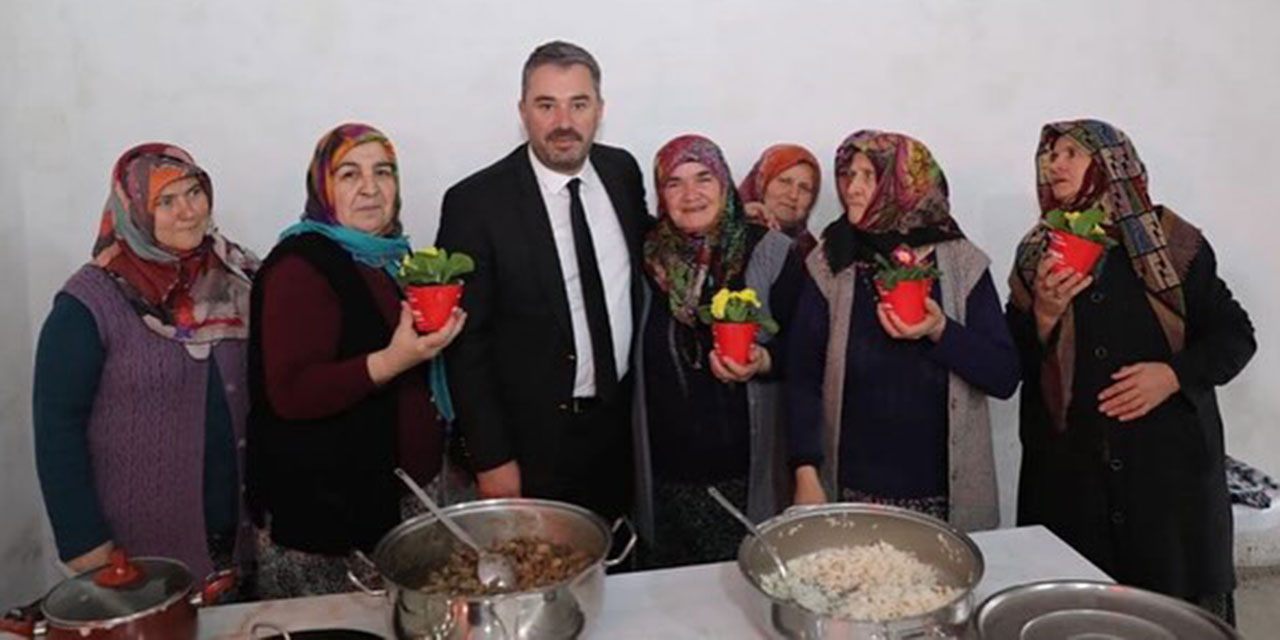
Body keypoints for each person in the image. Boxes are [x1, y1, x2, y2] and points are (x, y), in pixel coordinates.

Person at [1008, 119, 1256, 623]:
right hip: (1072, 483)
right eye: (1050, 154)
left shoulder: (1173, 243)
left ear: (1110, 165)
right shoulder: (1039, 252)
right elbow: (1011, 363)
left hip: (1167, 483)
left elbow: (1235, 337)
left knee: (1169, 619)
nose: (1054, 164)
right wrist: (1045, 317)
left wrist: (1172, 375)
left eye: (1072, 153)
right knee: (1080, 618)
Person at [246, 123, 464, 597]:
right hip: (328, 525)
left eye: (383, 172)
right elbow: (290, 392)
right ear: (323, 187)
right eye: (349, 174)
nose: (370, 188)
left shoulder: (391, 260)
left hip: (396, 503)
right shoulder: (300, 266)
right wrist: (393, 360)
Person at [436, 41, 649, 520]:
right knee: (539, 583)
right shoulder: (476, 204)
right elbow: (466, 346)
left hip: (620, 434)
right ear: (522, 111)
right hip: (530, 449)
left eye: (579, 103)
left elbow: (655, 250)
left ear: (599, 109)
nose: (563, 122)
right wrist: (491, 458)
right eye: (546, 105)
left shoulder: (621, 173)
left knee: (617, 575)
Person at [33, 143, 258, 582]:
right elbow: (56, 427)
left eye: (194, 193)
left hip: (239, 531)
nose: (188, 212)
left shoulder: (237, 275)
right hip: (139, 547)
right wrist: (84, 543)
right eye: (165, 202)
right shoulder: (89, 303)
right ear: (133, 211)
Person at [788, 131, 1019, 531]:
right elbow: (803, 376)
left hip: (942, 499)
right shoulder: (830, 260)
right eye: (848, 175)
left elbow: (1003, 375)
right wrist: (805, 472)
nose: (852, 189)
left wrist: (940, 329)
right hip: (850, 492)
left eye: (868, 176)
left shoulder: (962, 262)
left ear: (907, 185)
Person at [633, 134, 803, 568]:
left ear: (725, 185)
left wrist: (763, 361)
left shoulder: (771, 251)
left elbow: (806, 354)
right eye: (674, 183)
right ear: (660, 194)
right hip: (662, 477)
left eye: (704, 178)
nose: (691, 195)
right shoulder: (645, 258)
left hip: (743, 475)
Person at [739, 143, 822, 257]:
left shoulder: (814, 257)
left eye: (804, 188)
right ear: (761, 183)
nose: (793, 195)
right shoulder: (726, 234)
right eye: (785, 182)